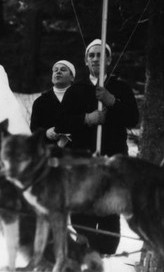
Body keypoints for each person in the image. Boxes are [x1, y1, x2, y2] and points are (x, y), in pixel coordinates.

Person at [56, 39, 140, 255]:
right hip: (82, 161)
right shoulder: (76, 90)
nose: (96, 59)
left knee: (109, 209)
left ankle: (106, 250)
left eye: (101, 55)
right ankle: (85, 249)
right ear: (85, 61)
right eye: (91, 55)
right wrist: (87, 118)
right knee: (82, 210)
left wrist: (112, 101)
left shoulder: (120, 88)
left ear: (109, 60)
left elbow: (133, 119)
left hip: (112, 161)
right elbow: (62, 122)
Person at [30, 60, 76, 148]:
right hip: (49, 152)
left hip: (77, 153)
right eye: (55, 70)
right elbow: (34, 130)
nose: (58, 72)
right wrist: (46, 133)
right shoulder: (40, 102)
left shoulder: (80, 98)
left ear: (72, 77)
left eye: (63, 69)